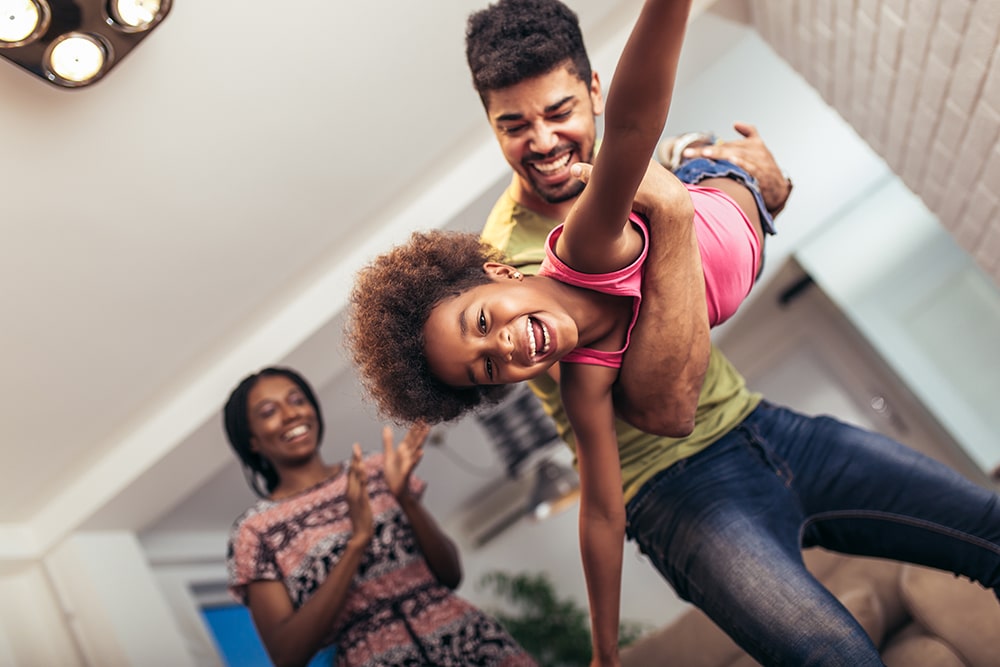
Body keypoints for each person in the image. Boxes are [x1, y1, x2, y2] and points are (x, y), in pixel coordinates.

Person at [461, 1, 1000, 666]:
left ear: (594, 87)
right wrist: (687, 201)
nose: (541, 141)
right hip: (671, 487)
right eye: (513, 125)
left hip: (761, 423)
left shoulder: (624, 161)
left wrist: (752, 179)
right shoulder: (519, 279)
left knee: (988, 528)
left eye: (558, 111)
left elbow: (675, 156)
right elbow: (666, 401)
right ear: (490, 126)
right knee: (835, 658)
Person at [348, 0, 789, 661]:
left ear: (498, 274)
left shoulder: (581, 248)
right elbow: (602, 510)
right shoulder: (585, 380)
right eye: (486, 368)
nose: (506, 346)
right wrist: (604, 649)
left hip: (711, 185)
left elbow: (636, 124)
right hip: (719, 233)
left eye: (483, 322)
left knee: (673, 156)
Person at [223, 366, 536, 667]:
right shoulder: (256, 531)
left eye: (296, 400)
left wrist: (404, 498)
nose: (291, 414)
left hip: (472, 642)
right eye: (268, 411)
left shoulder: (377, 470)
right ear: (251, 439)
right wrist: (357, 542)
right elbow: (287, 655)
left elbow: (450, 576)